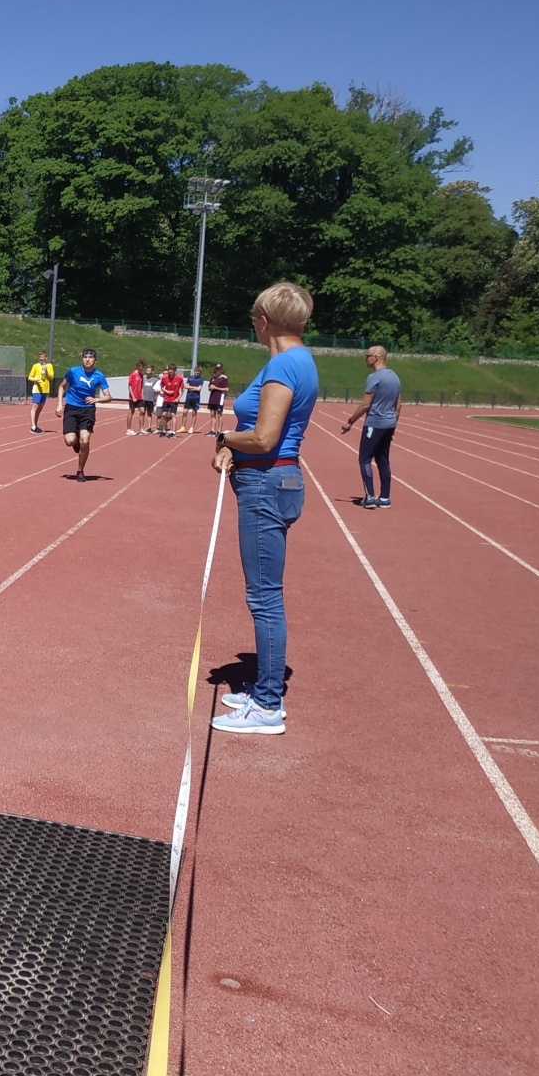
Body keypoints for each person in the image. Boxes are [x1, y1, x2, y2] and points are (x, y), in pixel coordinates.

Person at [210, 282, 319, 736]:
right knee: (265, 594)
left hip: (266, 484)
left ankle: (268, 704)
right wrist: (237, 449)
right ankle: (263, 689)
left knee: (264, 597)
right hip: (275, 479)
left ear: (264, 321)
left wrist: (224, 439)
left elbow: (264, 437)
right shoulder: (298, 362)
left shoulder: (283, 366)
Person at [341, 345, 401, 509]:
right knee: (383, 459)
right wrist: (393, 426)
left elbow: (365, 405)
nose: (365, 359)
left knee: (364, 459)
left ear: (376, 357)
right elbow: (398, 405)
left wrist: (350, 421)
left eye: (367, 355)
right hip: (389, 424)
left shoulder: (374, 377)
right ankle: (384, 497)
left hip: (374, 423)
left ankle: (369, 497)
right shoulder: (395, 377)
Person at [55, 347, 111, 482]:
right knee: (70, 441)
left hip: (87, 410)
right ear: (82, 359)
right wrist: (59, 403)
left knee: (85, 440)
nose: (87, 359)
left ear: (95, 360)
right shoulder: (73, 371)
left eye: (90, 357)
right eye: (85, 357)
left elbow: (108, 396)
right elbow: (62, 386)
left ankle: (80, 470)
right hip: (72, 408)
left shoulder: (99, 376)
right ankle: (76, 443)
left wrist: (96, 399)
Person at [27, 352, 55, 433]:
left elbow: (51, 377)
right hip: (37, 390)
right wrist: (36, 380)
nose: (41, 359)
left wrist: (46, 372)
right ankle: (33, 427)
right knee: (34, 407)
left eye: (42, 357)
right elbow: (30, 377)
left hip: (45, 390)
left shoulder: (49, 366)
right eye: (40, 357)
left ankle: (35, 425)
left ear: (46, 358)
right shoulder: (36, 366)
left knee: (39, 409)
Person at [158, 364, 184, 438]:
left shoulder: (179, 378)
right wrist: (167, 391)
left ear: (175, 371)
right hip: (166, 399)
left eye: (172, 370)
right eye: (169, 370)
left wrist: (178, 397)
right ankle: (163, 430)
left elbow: (182, 389)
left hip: (174, 400)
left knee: (173, 415)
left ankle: (173, 432)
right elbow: (161, 386)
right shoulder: (164, 378)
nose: (170, 372)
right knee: (163, 414)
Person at [207, 364, 229, 435]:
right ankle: (212, 430)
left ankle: (219, 430)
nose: (217, 371)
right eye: (216, 369)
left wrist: (215, 388)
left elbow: (226, 389)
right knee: (212, 414)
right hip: (212, 398)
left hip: (220, 398)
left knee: (219, 414)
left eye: (219, 369)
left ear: (221, 370)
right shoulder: (212, 378)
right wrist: (210, 388)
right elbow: (209, 388)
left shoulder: (224, 378)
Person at [182, 366, 205, 433]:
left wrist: (190, 388)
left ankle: (191, 427)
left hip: (196, 398)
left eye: (198, 372)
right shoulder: (190, 378)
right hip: (188, 397)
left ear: (200, 373)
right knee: (185, 412)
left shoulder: (201, 379)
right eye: (195, 372)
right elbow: (186, 386)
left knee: (194, 413)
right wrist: (194, 387)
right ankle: (183, 427)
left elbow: (199, 389)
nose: (196, 373)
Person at [126, 360, 146, 435]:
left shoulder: (141, 375)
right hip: (133, 397)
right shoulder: (133, 374)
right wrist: (133, 396)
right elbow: (129, 386)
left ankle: (141, 429)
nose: (141, 368)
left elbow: (141, 386)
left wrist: (142, 395)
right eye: (140, 366)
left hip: (139, 397)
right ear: (137, 366)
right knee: (131, 411)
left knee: (142, 411)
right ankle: (128, 429)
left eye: (142, 366)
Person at [141, 364, 160, 435]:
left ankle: (149, 427)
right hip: (144, 398)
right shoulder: (143, 379)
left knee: (149, 413)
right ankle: (142, 427)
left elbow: (158, 386)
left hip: (151, 399)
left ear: (152, 372)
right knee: (142, 413)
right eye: (147, 370)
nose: (147, 371)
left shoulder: (155, 380)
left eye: (149, 370)